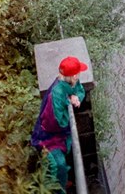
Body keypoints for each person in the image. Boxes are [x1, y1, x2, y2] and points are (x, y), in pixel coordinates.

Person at [31, 56, 88, 192]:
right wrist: (69, 102)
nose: (79, 76)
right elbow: (56, 123)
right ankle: (58, 190)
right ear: (73, 76)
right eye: (78, 73)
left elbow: (80, 90)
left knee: (61, 162)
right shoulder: (56, 93)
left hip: (57, 134)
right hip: (47, 136)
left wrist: (77, 98)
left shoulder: (70, 82)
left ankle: (62, 182)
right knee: (58, 164)